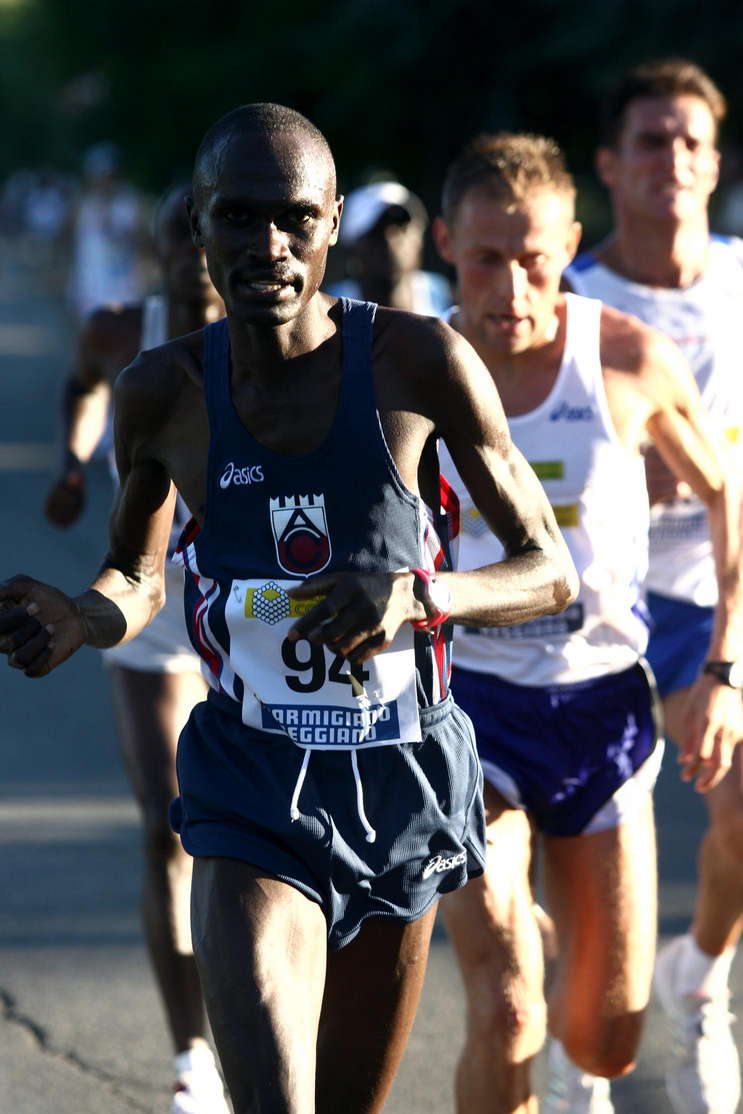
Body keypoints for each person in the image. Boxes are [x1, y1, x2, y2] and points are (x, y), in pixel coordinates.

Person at [0, 103, 578, 1114]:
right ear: (197, 224)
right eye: (237, 215)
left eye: (294, 218)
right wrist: (80, 617)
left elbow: (548, 569)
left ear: (331, 223)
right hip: (250, 782)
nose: (266, 244)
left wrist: (419, 595)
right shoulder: (160, 391)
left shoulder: (419, 361)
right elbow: (137, 575)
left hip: (397, 777)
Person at [432, 131, 743, 1114]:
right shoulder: (406, 370)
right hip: (462, 708)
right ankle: (517, 944)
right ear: (445, 245)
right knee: (506, 1008)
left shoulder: (625, 357)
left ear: (569, 245)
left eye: (533, 260)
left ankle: (550, 939)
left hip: (600, 707)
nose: (510, 290)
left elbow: (727, 494)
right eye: (485, 260)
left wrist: (724, 669)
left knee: (605, 1039)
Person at [566, 58, 743, 1114]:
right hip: (594, 599)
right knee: (586, 853)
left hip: (713, 590)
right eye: (648, 140)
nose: (670, 158)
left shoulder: (740, 281)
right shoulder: (566, 297)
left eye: (689, 141)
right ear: (607, 164)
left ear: (713, 164)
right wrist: (627, 468)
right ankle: (577, 1051)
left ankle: (700, 982)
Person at [43, 183, 228, 1114]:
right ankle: (193, 1054)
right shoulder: (122, 334)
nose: (196, 254)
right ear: (156, 250)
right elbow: (82, 382)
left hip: (258, 615)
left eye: (209, 234)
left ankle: (266, 1018)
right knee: (170, 824)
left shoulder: (285, 341)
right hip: (148, 608)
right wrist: (75, 462)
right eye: (177, 238)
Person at [328, 179, 451, 313]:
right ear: (352, 249)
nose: (391, 241)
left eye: (402, 227)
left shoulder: (447, 298)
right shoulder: (330, 310)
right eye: (376, 233)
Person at [68, 141, 150, 320]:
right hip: (90, 293)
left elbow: (144, 244)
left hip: (125, 291)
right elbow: (77, 249)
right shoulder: (84, 206)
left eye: (107, 174)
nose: (103, 180)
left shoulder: (131, 204)